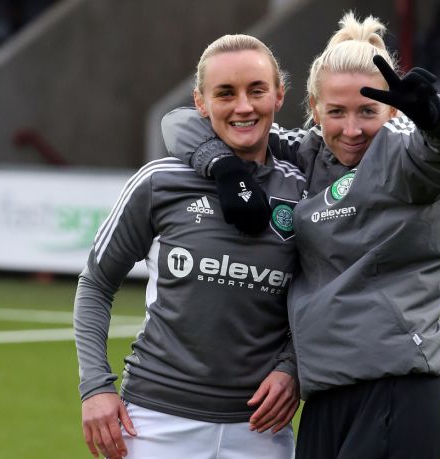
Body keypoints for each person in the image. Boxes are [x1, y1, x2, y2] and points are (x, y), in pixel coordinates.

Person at [162, 12, 440, 459]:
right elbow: (183, 123)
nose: (352, 129)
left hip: (396, 390)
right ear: (314, 109)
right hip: (324, 396)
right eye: (336, 112)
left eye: (368, 111)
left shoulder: (406, 157)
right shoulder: (307, 154)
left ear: (393, 110)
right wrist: (224, 167)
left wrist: (437, 116)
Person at [74, 34, 307, 459]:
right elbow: (96, 283)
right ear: (200, 103)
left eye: (256, 90)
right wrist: (95, 387)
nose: (243, 106)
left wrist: (292, 367)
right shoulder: (159, 181)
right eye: (225, 93)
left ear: (279, 95)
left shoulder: (305, 193)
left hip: (260, 429)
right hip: (154, 421)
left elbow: (320, 295)